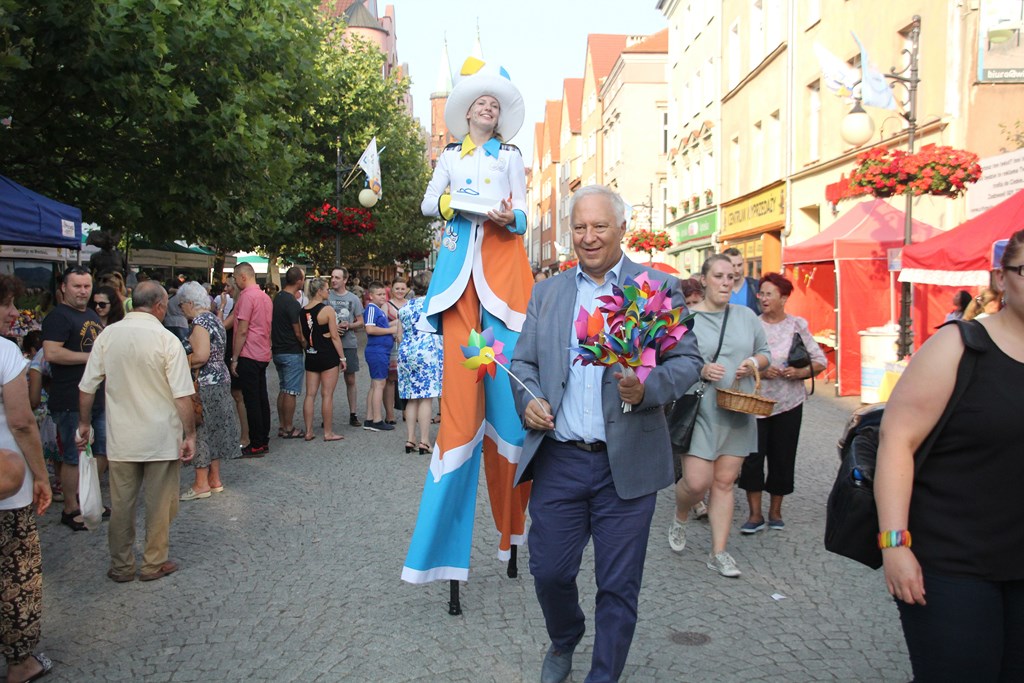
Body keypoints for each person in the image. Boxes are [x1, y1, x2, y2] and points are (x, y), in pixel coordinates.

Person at [510, 185, 701, 683]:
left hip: (628, 465)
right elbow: (523, 362)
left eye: (599, 226)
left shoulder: (658, 287)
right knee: (548, 571)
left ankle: (603, 675)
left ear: (621, 228)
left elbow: (688, 361)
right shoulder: (547, 293)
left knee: (618, 586)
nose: (588, 237)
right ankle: (565, 636)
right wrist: (528, 399)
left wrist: (647, 389)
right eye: (579, 227)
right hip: (561, 460)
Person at [403, 58, 535, 586]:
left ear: (499, 117)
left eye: (495, 104)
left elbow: (525, 214)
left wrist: (508, 217)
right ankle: (441, 554)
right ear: (466, 112)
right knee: (459, 423)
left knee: (507, 418)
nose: (488, 107)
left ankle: (513, 534)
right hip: (459, 289)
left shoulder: (511, 155)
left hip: (502, 290)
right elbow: (426, 204)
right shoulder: (451, 156)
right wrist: (453, 202)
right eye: (481, 102)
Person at [875, 229, 1024, 681]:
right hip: (953, 562)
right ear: (1001, 278)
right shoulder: (960, 346)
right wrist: (895, 545)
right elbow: (896, 440)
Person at [76, 281, 196, 583]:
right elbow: (182, 395)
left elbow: (87, 387)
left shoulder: (108, 335)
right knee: (160, 505)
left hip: (122, 437)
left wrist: (84, 423)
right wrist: (190, 434)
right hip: (160, 436)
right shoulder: (166, 340)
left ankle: (121, 565)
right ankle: (153, 563)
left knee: (121, 506)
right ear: (158, 306)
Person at [670, 254, 771, 578]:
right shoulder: (688, 319)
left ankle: (719, 552)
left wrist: (754, 363)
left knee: (725, 483)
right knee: (698, 482)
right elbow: (671, 360)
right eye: (719, 276)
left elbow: (766, 353)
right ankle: (682, 511)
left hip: (737, 409)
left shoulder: (747, 317)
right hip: (701, 406)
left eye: (731, 277)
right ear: (704, 280)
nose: (727, 282)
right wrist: (700, 368)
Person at [737, 273, 826, 533]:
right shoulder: (752, 325)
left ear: (784, 298)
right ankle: (754, 515)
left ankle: (775, 511)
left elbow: (819, 360)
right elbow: (738, 362)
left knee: (783, 458)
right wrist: (762, 372)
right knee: (753, 459)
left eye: (769, 294)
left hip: (789, 403)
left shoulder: (797, 325)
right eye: (761, 293)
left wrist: (798, 373)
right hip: (756, 404)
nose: (763, 298)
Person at [0, 274, 54, 683]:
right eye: (6, 305)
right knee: (16, 574)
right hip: (6, 485)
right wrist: (41, 475)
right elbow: (21, 422)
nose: (15, 313)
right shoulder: (4, 352)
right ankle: (20, 662)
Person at [41, 266, 105, 531]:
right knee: (72, 455)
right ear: (64, 288)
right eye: (77, 286)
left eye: (86, 286)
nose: (83, 291)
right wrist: (91, 359)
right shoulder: (58, 317)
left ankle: (89, 499)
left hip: (96, 396)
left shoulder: (91, 314)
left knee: (101, 451)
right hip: (70, 397)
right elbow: (52, 354)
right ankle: (70, 508)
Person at [176, 281, 238, 501]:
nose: (181, 309)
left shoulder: (201, 321)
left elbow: (201, 355)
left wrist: (181, 362)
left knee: (201, 431)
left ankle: (201, 483)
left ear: (190, 303)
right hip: (220, 379)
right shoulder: (214, 318)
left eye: (182, 305)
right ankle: (215, 480)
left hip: (205, 382)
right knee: (214, 430)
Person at [226, 262, 273, 457]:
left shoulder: (246, 297)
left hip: (249, 352)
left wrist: (234, 357)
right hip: (262, 351)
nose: (235, 283)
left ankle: (256, 443)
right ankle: (263, 439)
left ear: (243, 277)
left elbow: (242, 330)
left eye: (236, 279)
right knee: (261, 397)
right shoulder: (265, 297)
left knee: (251, 399)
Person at [397, 272, 443, 455]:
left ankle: (410, 439)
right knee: (426, 397)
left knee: (411, 396)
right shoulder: (433, 306)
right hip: (428, 352)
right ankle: (424, 441)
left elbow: (399, 335)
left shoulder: (406, 307)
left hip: (407, 352)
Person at [299, 278, 346, 442]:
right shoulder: (327, 310)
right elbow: (334, 336)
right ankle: (328, 432)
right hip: (327, 354)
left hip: (311, 354)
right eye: (326, 289)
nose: (328, 292)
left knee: (310, 395)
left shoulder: (303, 310)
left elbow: (303, 336)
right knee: (327, 395)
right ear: (319, 291)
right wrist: (342, 357)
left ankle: (309, 431)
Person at [326, 267, 365, 428]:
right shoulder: (326, 297)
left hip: (348, 343)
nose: (333, 280)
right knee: (329, 382)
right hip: (329, 344)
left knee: (350, 379)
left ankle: (353, 413)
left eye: (337, 277)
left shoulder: (353, 298)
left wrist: (349, 325)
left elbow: (361, 321)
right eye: (332, 277)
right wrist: (332, 326)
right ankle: (326, 414)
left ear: (345, 280)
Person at [271, 267, 306, 439]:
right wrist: (305, 344)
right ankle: (289, 427)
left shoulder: (278, 298)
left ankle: (282, 425)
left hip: (278, 349)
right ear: (299, 281)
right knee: (291, 391)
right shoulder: (292, 302)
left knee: (283, 389)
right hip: (291, 350)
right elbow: (297, 330)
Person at [362, 281, 397, 432]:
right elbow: (369, 329)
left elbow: (383, 326)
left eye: (384, 294)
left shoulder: (378, 310)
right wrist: (390, 331)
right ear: (371, 296)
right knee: (379, 385)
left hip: (381, 351)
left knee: (374, 385)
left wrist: (396, 324)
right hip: (377, 351)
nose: (383, 297)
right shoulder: (371, 309)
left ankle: (370, 418)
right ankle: (377, 419)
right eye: (379, 294)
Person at [384, 277, 409, 425]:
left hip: (407, 345)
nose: (400, 291)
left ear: (407, 289)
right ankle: (390, 414)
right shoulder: (386, 306)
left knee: (406, 379)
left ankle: (407, 412)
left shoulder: (410, 304)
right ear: (392, 289)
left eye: (402, 288)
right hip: (392, 345)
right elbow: (383, 325)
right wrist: (400, 322)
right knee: (390, 379)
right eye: (397, 288)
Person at [721, 247, 761, 314]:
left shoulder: (755, 286)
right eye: (733, 266)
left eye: (739, 265)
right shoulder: (718, 288)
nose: (737, 270)